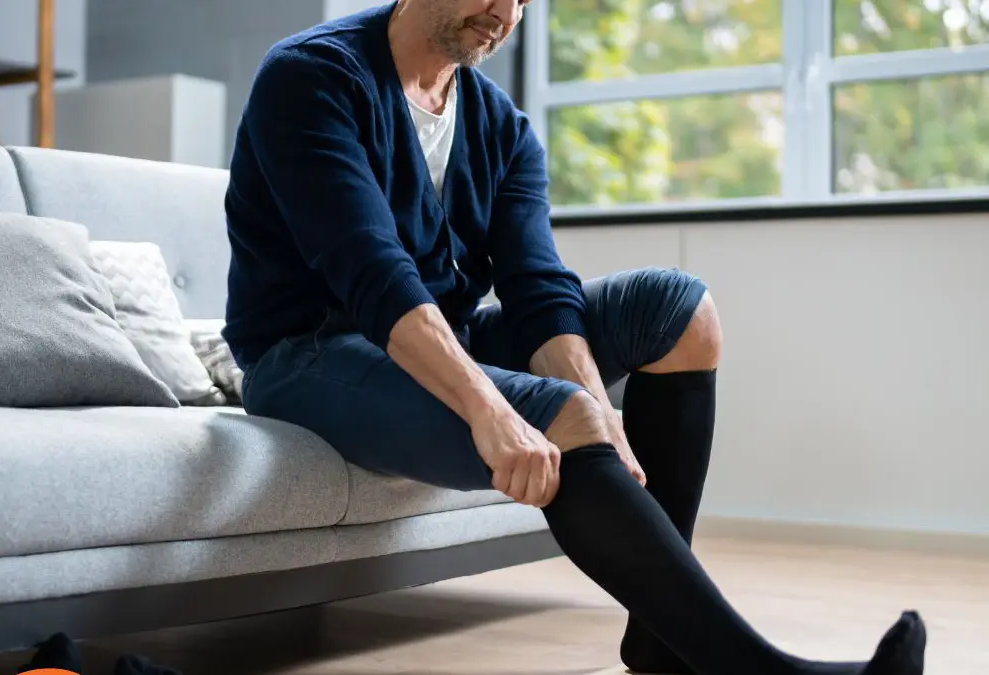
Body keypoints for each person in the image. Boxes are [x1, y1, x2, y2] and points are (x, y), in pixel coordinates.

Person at [222, 1, 927, 673]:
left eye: (524, 0)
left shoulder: (500, 125)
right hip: (308, 353)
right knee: (565, 413)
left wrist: (601, 417)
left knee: (680, 311)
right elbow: (374, 275)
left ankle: (659, 635)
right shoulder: (312, 77)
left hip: (444, 335)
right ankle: (760, 668)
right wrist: (496, 411)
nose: (504, 15)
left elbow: (536, 289)